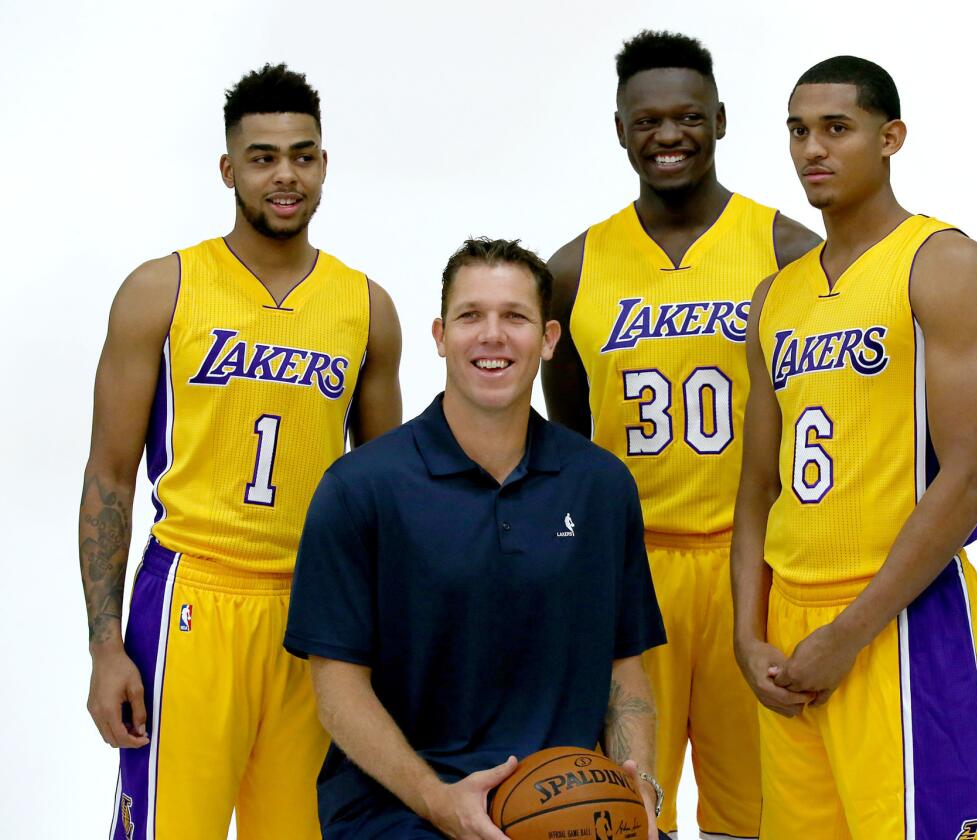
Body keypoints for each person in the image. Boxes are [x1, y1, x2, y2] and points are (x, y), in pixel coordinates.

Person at [79, 63, 403, 840]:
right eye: (263, 157)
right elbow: (109, 478)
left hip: (316, 615)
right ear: (229, 169)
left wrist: (393, 643)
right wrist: (104, 648)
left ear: (324, 163)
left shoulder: (366, 307)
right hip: (193, 594)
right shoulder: (164, 288)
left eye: (302, 154)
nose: (284, 175)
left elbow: (389, 499)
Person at [285, 238, 668, 840]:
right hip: (400, 813)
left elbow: (624, 664)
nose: (492, 335)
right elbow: (336, 687)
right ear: (440, 335)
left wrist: (638, 789)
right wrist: (440, 803)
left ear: (547, 339)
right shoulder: (361, 487)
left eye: (514, 317)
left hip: (565, 811)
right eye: (471, 316)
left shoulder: (601, 486)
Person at [541, 30, 821, 839]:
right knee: (624, 808)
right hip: (631, 567)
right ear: (620, 129)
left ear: (723, 120)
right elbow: (572, 426)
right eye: (648, 119)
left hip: (752, 566)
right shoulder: (573, 268)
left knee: (758, 813)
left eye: (689, 117)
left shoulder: (787, 251)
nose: (669, 136)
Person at [731, 56, 977, 838]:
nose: (812, 149)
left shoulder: (942, 262)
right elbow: (757, 487)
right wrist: (750, 635)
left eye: (836, 129)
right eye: (797, 131)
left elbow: (970, 479)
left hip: (899, 621)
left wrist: (850, 632)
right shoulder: (776, 297)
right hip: (789, 628)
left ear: (890, 138)